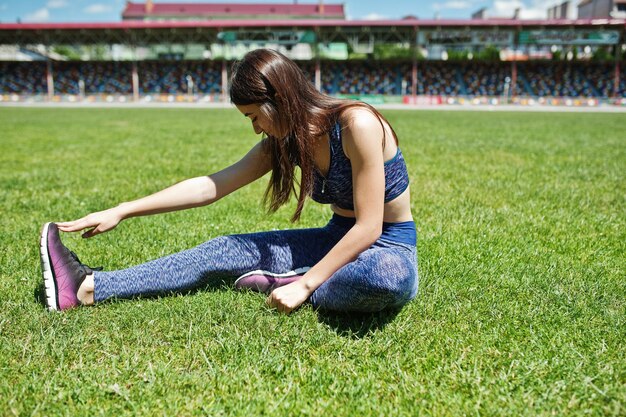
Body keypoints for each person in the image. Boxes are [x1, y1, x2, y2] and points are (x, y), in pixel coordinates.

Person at [39, 49, 418, 314]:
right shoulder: (283, 143)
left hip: (387, 246)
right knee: (223, 249)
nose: (256, 129)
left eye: (255, 116)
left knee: (384, 277)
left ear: (280, 101)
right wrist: (123, 210)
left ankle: (299, 281)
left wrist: (306, 286)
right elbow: (210, 186)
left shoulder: (357, 125)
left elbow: (369, 227)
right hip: (335, 238)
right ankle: (89, 288)